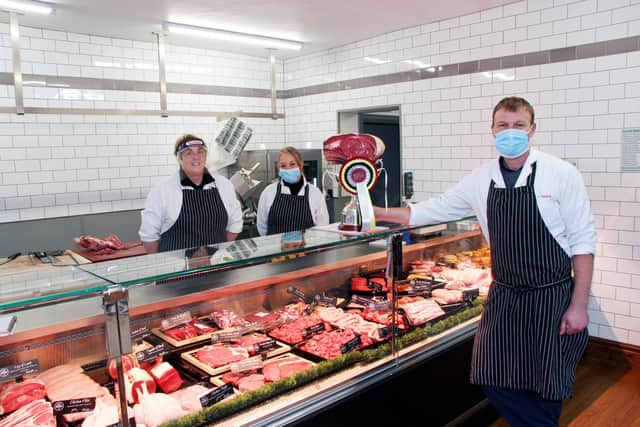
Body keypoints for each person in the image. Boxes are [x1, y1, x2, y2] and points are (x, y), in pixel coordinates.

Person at [375, 97, 596, 426]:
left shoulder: (561, 173)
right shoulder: (481, 179)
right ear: (492, 130)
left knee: (546, 384)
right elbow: (427, 210)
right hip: (505, 294)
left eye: (518, 125)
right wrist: (375, 213)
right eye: (503, 125)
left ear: (532, 129)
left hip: (551, 294)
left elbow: (583, 241)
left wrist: (579, 305)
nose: (511, 132)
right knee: (489, 374)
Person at [139, 134, 243, 253]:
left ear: (205, 156)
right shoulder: (162, 189)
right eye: (189, 153)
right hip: (177, 267)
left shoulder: (224, 185)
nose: (196, 157)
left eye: (200, 152)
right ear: (179, 159)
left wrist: (219, 253)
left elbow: (235, 224)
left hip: (215, 265)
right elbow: (149, 236)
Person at [257, 146, 329, 236]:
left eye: (292, 164)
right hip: (276, 248)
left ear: (301, 165)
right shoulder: (268, 192)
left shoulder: (315, 193)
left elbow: (322, 228)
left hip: (306, 249)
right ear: (279, 168)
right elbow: (262, 227)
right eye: (283, 166)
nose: (288, 169)